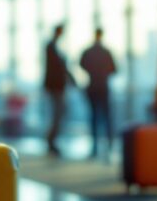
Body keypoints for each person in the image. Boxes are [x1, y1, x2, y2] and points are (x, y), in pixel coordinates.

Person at [80, 27, 117, 159]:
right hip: (103, 87)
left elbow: (81, 64)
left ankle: (94, 147)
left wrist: (92, 72)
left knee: (94, 117)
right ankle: (109, 145)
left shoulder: (88, 52)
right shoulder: (106, 52)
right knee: (106, 117)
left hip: (92, 87)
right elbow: (115, 69)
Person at [43, 24, 75, 156]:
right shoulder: (51, 47)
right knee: (58, 113)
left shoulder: (53, 47)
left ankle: (52, 140)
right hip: (55, 86)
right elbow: (58, 67)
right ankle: (51, 141)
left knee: (59, 113)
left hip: (56, 86)